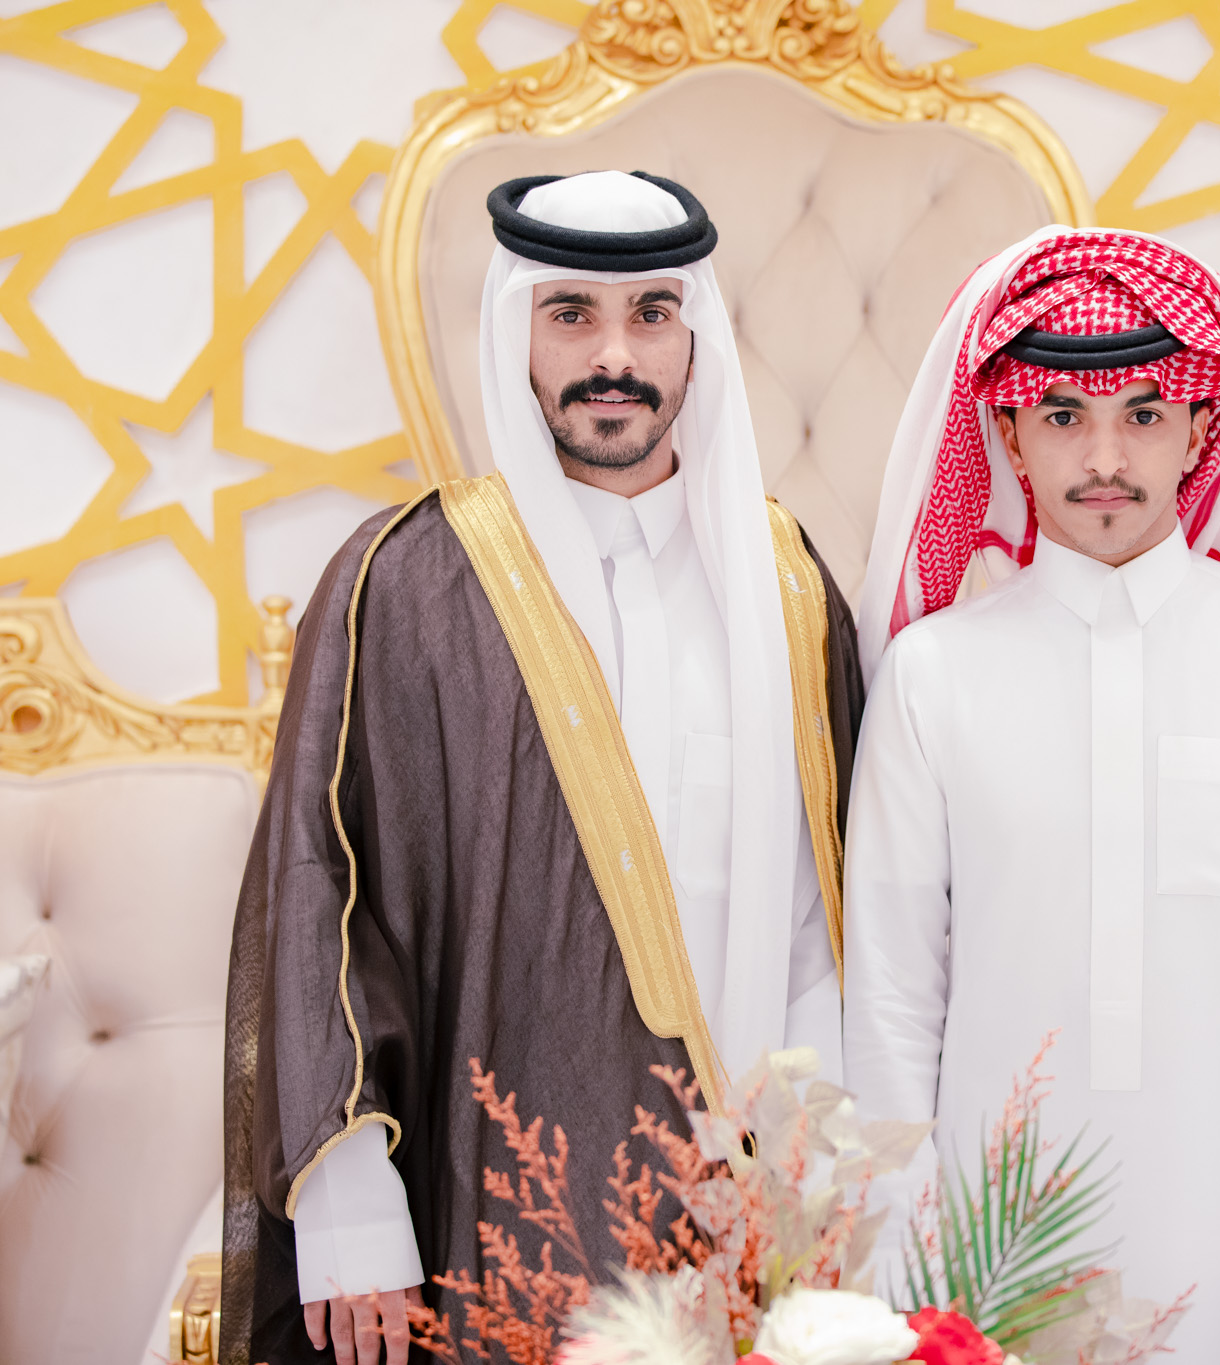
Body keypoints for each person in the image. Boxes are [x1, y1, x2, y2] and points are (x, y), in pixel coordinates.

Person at [221, 171, 861, 1365]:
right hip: (482, 1203)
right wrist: (351, 1209)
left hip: (746, 1214)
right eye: (571, 314)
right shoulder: (405, 587)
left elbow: (821, 924)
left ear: (694, 339)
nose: (613, 355)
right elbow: (318, 895)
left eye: (649, 315)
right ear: (515, 328)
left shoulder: (783, 587)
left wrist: (819, 1188)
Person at [842, 228, 1220, 1365]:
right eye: (1064, 416)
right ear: (1009, 432)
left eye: (1143, 414)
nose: (1104, 456)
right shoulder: (933, 673)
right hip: (990, 1245)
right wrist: (903, 1259)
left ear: (1200, 427)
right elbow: (894, 992)